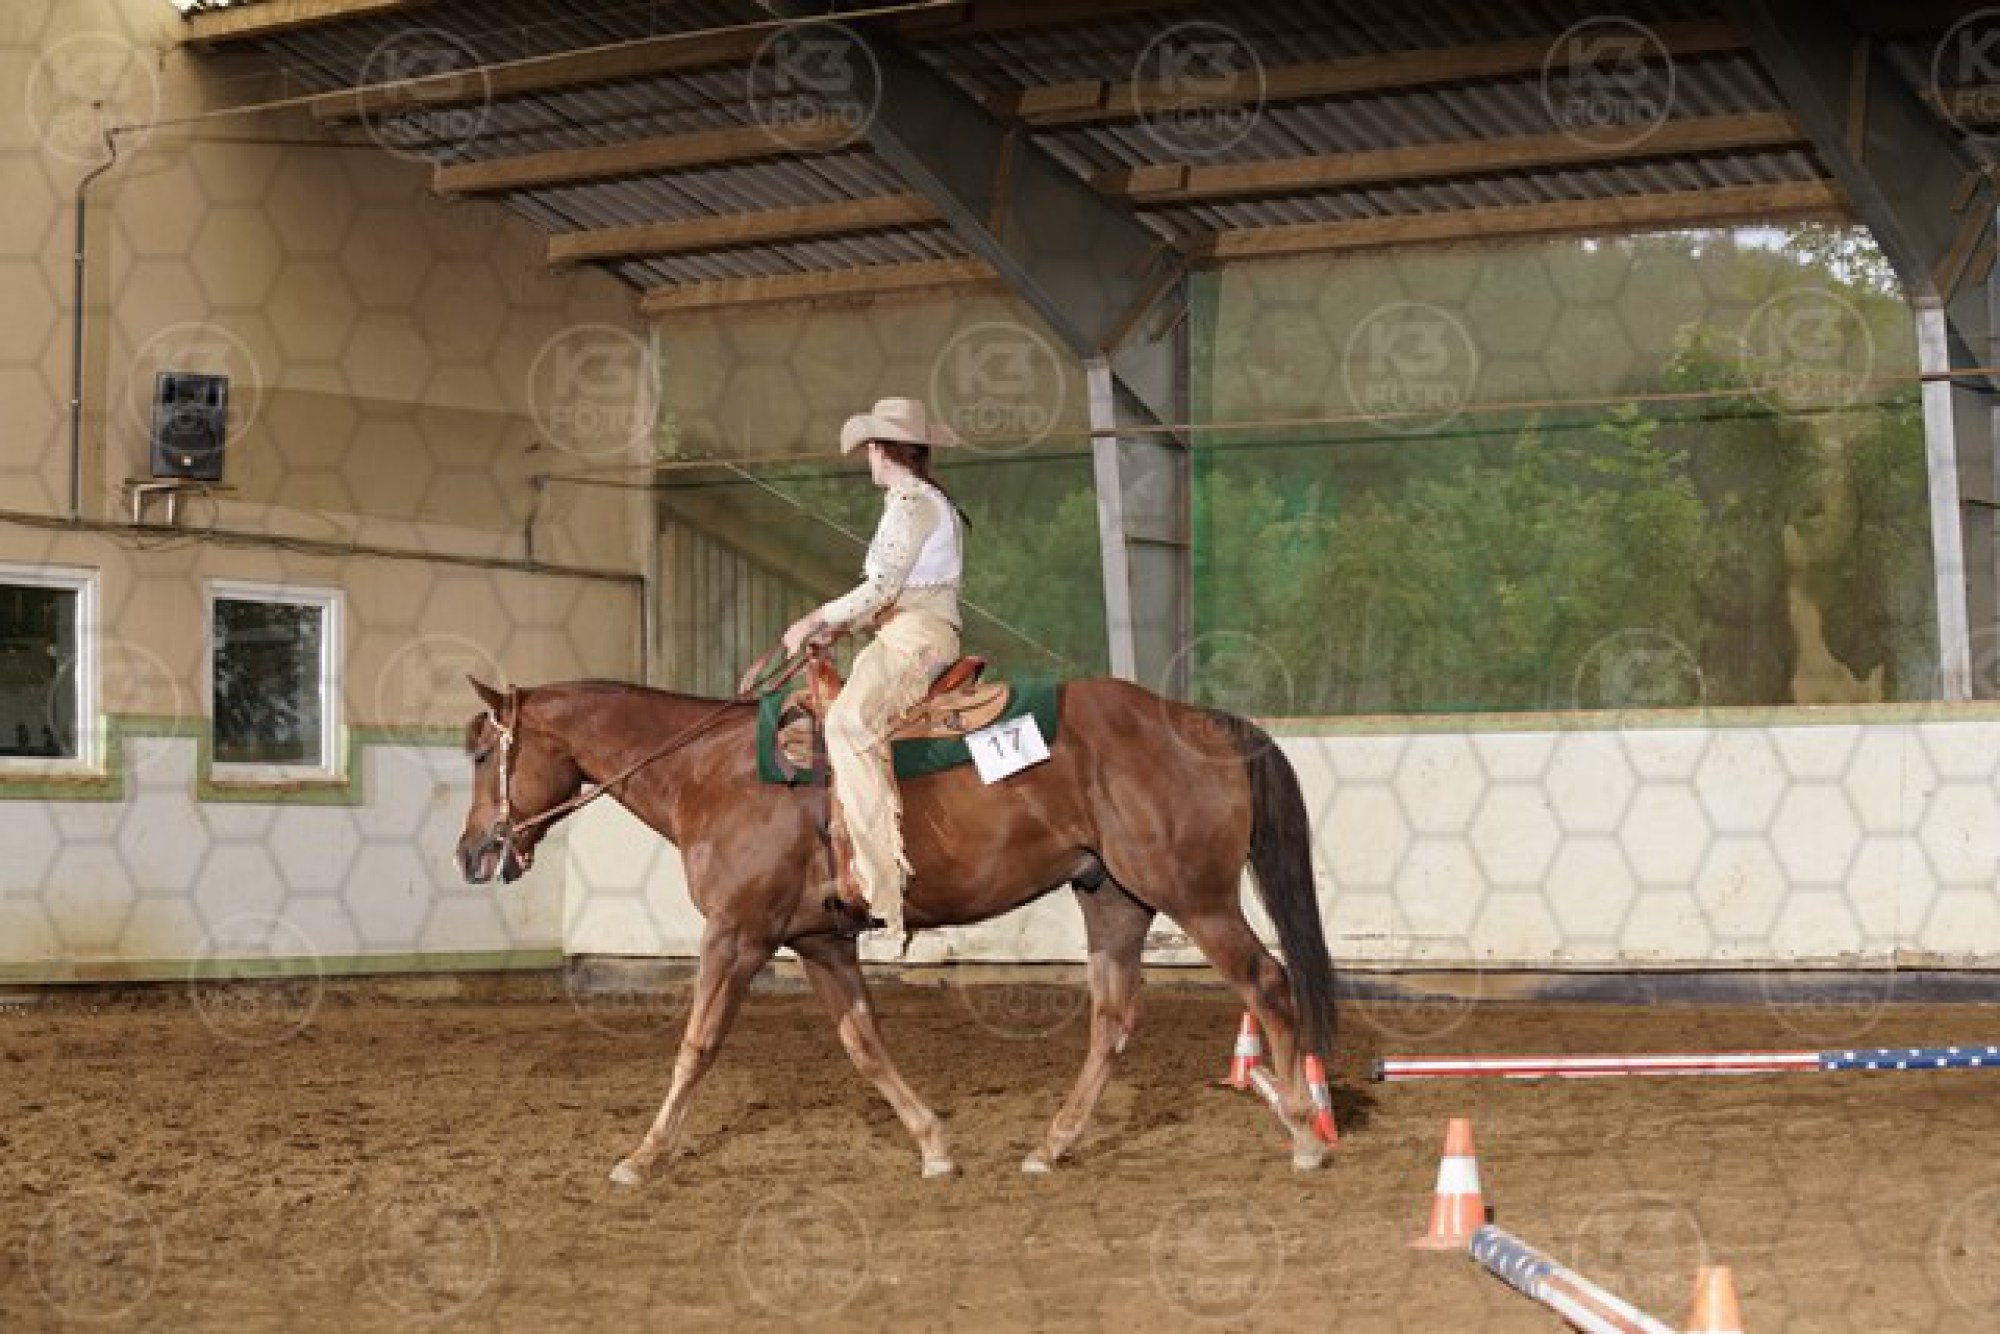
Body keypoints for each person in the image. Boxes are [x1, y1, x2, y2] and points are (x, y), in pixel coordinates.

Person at [782, 397, 966, 936]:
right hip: (903, 631)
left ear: (881, 449)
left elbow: (883, 585)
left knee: (848, 724)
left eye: (869, 448)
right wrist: (840, 627)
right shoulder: (921, 501)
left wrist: (815, 618)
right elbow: (893, 592)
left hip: (915, 638)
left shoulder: (911, 503)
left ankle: (878, 884)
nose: (867, 458)